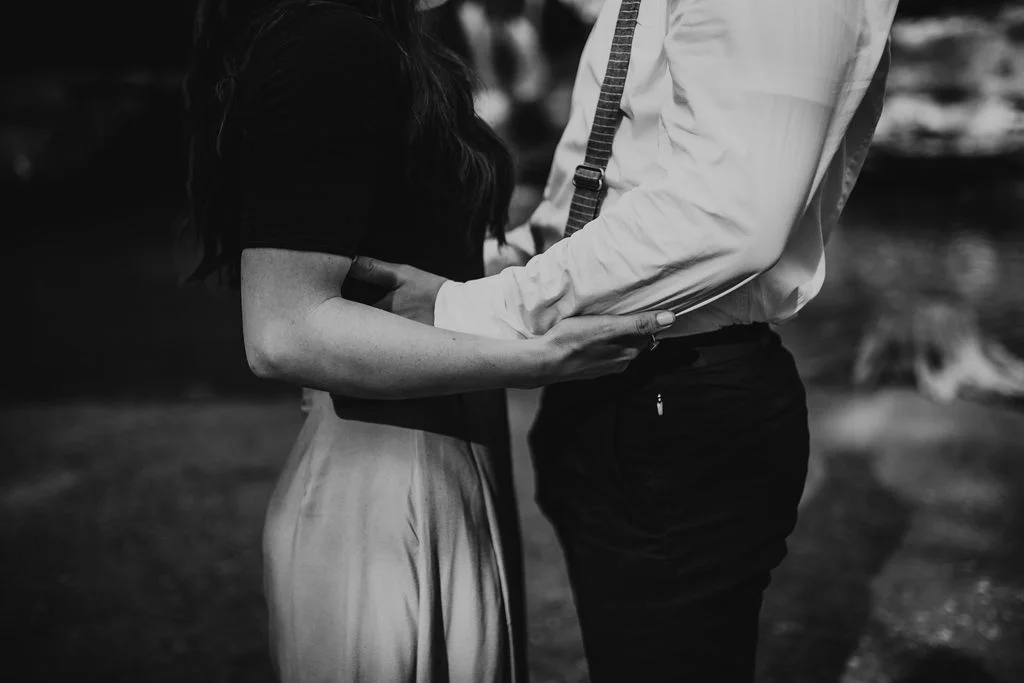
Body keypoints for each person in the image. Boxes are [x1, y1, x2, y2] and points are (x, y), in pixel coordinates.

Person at [346, 0, 901, 680]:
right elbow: (611, 181)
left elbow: (723, 215)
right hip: (624, 386)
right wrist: (489, 264)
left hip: (681, 399)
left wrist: (469, 307)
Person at [181, 0, 676, 681]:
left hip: (446, 448)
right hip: (386, 473)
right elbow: (283, 328)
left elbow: (413, 246)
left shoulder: (385, 40)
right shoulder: (328, 40)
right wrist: (537, 358)